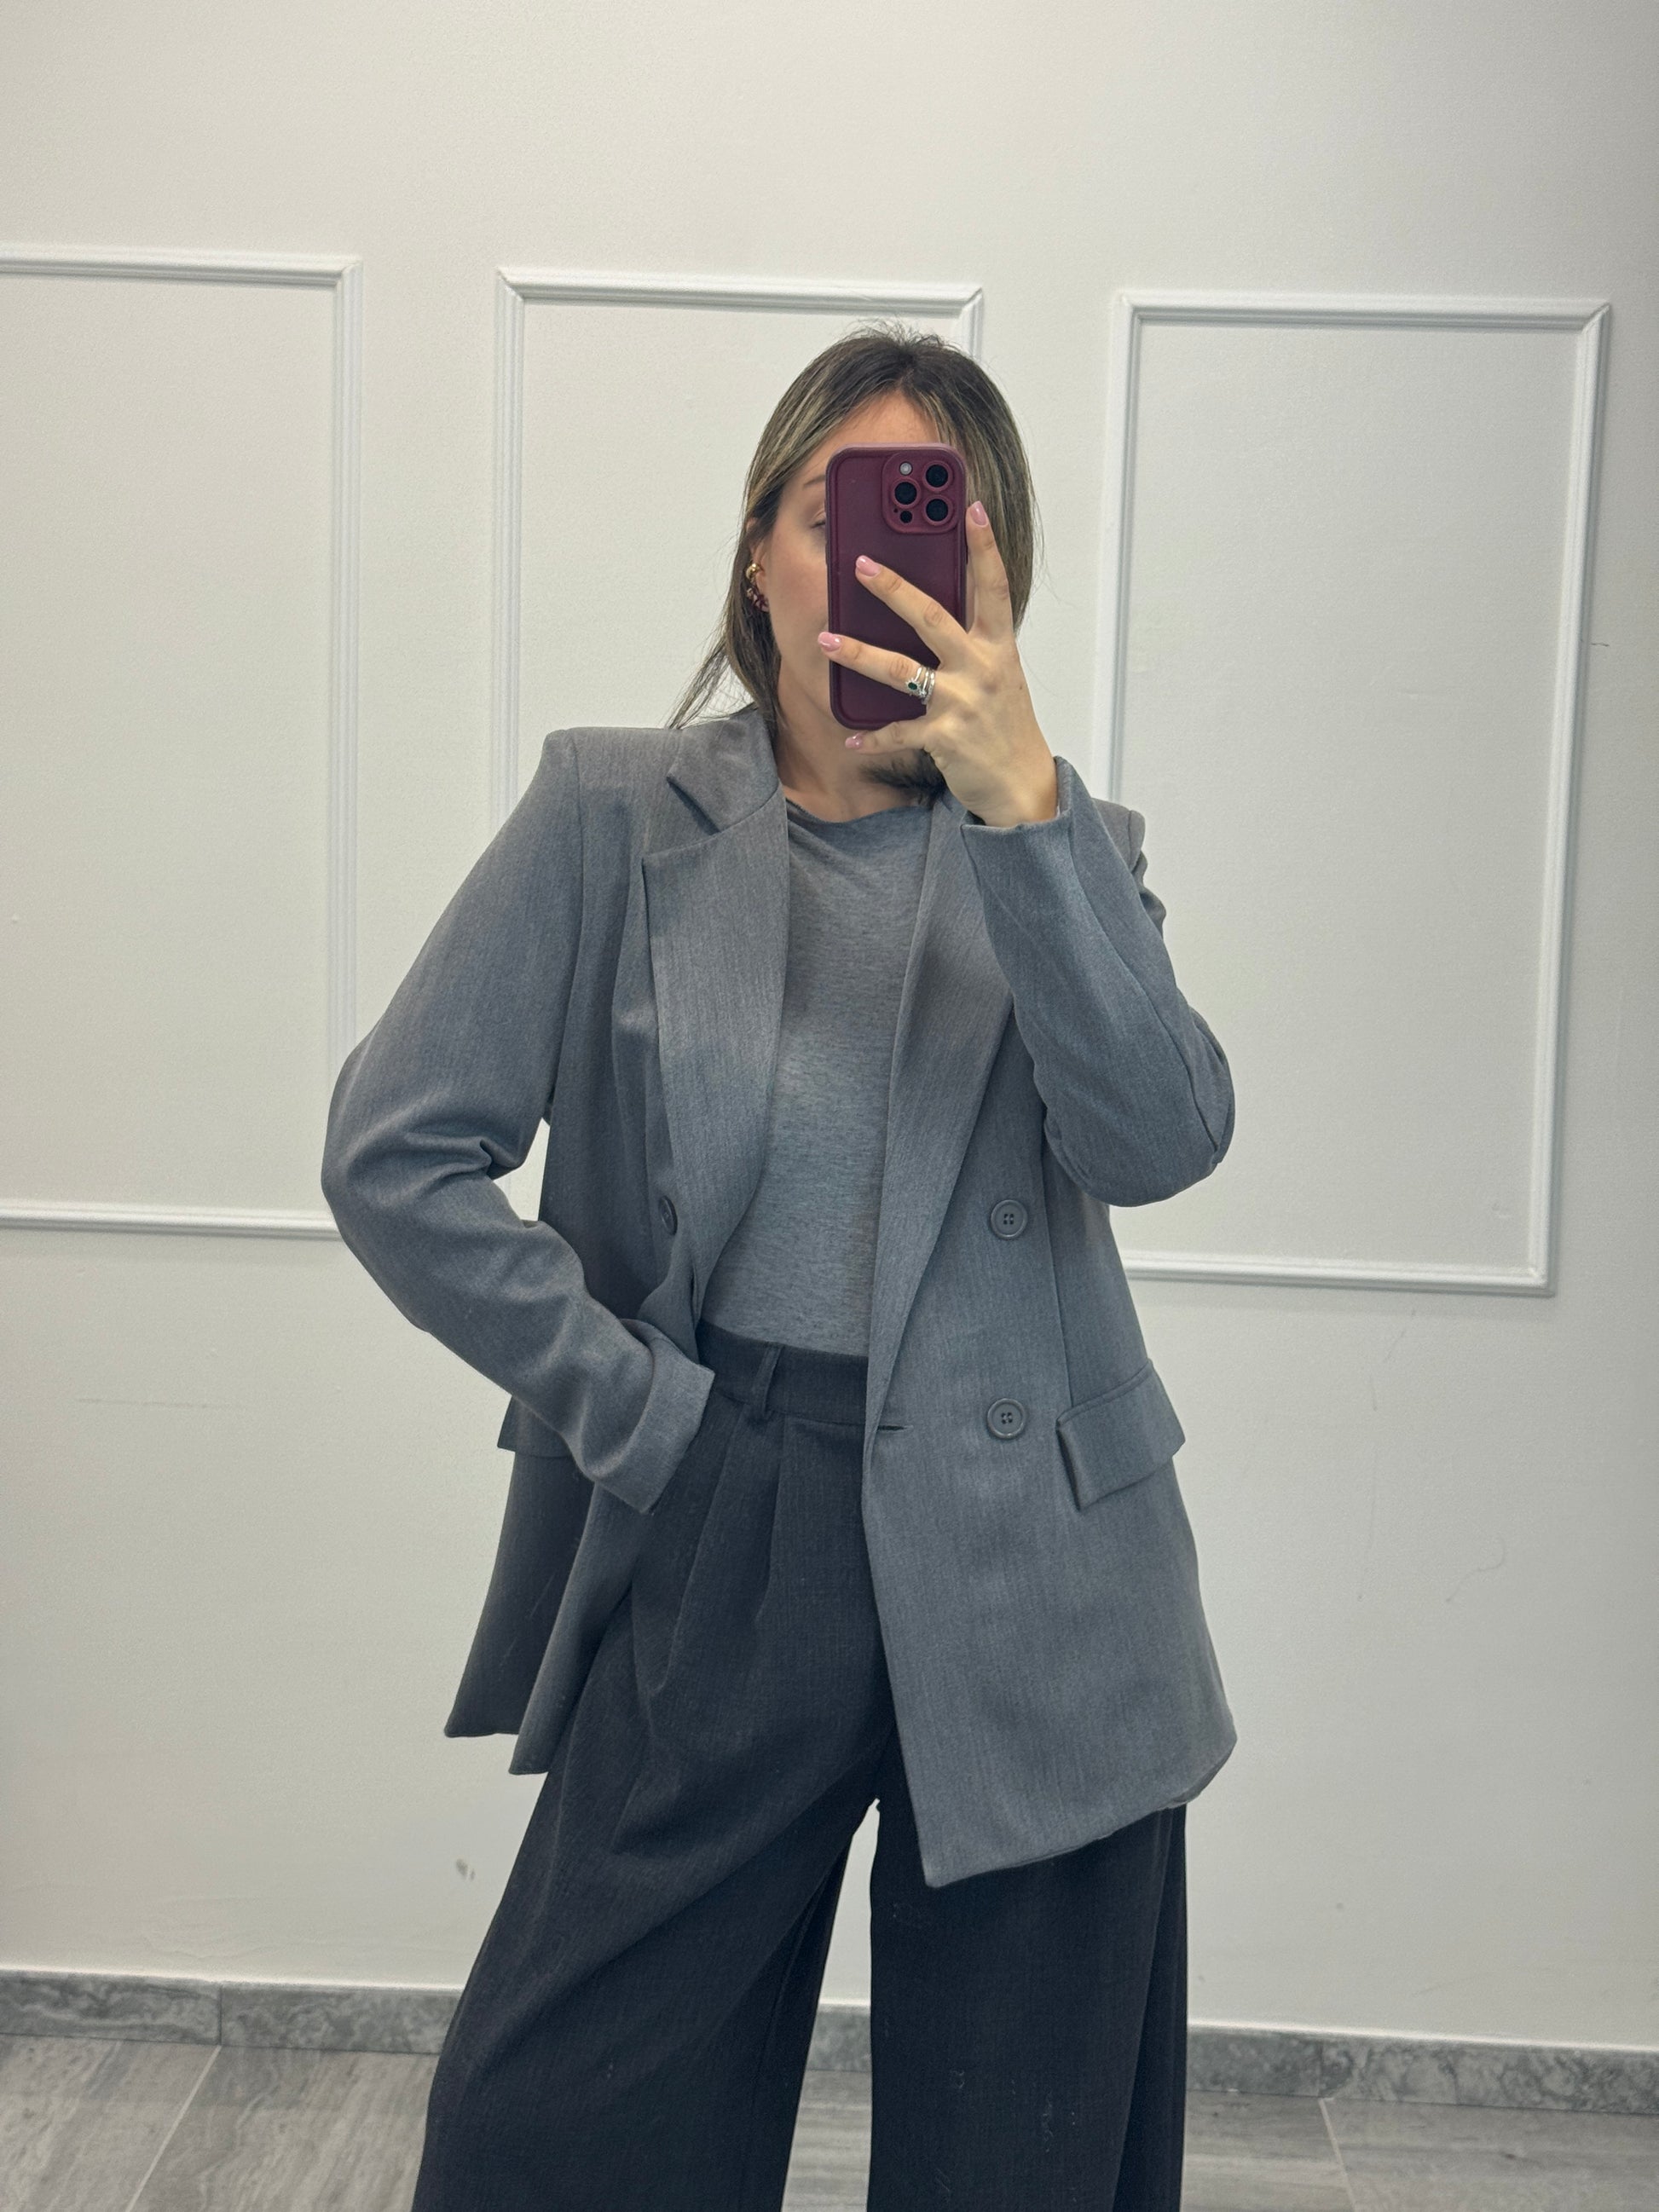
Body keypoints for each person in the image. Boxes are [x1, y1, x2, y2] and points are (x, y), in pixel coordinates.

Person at [321, 321, 1238, 2210]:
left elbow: (1158, 1141)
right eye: (844, 515)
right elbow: (392, 1150)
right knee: (558, 2126)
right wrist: (643, 1412)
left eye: (937, 530)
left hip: (1042, 1553)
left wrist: (1023, 810)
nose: (884, 567)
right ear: (759, 550)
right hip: (732, 1503)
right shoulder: (613, 812)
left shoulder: (1071, 842)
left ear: (993, 577)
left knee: (1022, 2157)